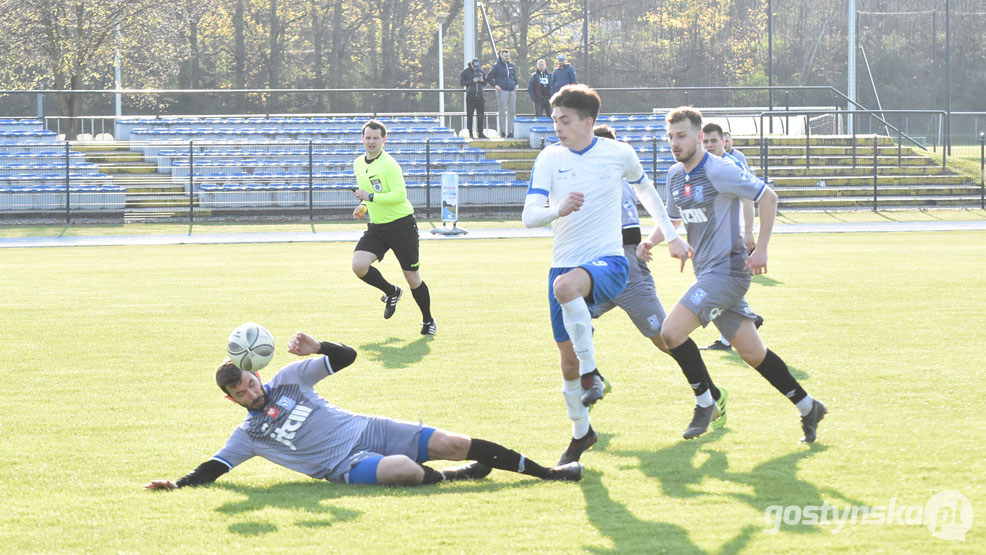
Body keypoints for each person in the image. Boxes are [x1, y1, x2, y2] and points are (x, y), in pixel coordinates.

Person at [144, 332, 583, 490]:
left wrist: (319, 348)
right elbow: (216, 467)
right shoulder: (249, 435)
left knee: (454, 442)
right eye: (240, 393)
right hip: (345, 463)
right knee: (402, 470)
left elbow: (348, 356)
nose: (250, 392)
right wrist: (179, 485)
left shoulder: (292, 377)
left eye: (249, 382)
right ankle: (453, 477)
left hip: (368, 428)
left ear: (256, 374)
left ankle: (548, 473)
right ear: (232, 399)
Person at [637, 107, 826, 443]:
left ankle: (705, 401)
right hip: (708, 271)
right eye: (670, 137)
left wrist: (763, 248)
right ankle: (807, 406)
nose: (674, 143)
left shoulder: (719, 170)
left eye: (681, 136)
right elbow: (674, 221)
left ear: (698, 137)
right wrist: (650, 242)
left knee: (670, 331)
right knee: (753, 353)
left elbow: (768, 196)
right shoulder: (675, 175)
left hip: (728, 271)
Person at [522, 84, 689, 465]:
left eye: (565, 120)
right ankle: (582, 433)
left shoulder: (618, 154)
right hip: (562, 262)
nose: (558, 127)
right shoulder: (549, 157)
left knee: (567, 289)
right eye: (554, 120)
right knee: (566, 362)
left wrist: (674, 237)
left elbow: (648, 195)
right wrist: (557, 210)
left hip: (611, 261)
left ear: (588, 122)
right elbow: (529, 216)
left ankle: (593, 374)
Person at [351, 120, 436, 336]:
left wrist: (370, 197)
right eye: (368, 137)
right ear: (362, 139)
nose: (371, 142)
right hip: (378, 227)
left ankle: (428, 321)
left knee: (412, 277)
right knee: (359, 266)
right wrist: (363, 206)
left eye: (375, 138)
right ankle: (391, 292)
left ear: (384, 140)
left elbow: (400, 196)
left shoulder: (389, 165)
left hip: (401, 225)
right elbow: (371, 193)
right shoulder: (358, 164)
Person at [700, 122, 762, 352]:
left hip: (731, 238)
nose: (709, 145)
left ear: (724, 141)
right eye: (705, 141)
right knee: (722, 284)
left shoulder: (731, 164)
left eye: (713, 140)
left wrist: (747, 232)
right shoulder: (707, 165)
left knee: (717, 284)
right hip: (713, 239)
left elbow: (749, 199)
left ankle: (729, 337)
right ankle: (749, 319)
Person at [487, 49, 518, 138]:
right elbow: (489, 78)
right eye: (505, 56)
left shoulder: (512, 65)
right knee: (502, 112)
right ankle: (503, 131)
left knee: (512, 111)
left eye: (508, 56)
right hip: (502, 91)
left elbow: (514, 77)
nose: (507, 57)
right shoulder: (496, 66)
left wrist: (517, 84)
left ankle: (510, 131)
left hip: (512, 91)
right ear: (501, 56)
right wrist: (495, 85)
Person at [460, 58, 487, 139]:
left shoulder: (481, 71)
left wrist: (482, 80)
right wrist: (472, 81)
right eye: (475, 66)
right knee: (470, 115)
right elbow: (462, 83)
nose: (476, 68)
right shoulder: (465, 71)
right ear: (471, 64)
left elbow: (485, 83)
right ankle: (470, 132)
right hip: (470, 96)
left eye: (477, 66)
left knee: (481, 115)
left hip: (480, 96)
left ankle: (480, 132)